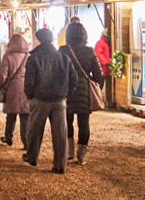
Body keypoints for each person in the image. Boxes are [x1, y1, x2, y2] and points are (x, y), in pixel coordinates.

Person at [22, 28, 76, 174]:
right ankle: (60, 165)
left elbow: (29, 81)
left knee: (34, 130)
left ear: (39, 40)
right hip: (59, 100)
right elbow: (73, 79)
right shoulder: (63, 57)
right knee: (60, 134)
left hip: (40, 99)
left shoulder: (34, 58)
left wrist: (30, 96)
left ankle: (32, 157)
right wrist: (67, 94)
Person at [59, 22, 103, 165]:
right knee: (84, 123)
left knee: (67, 121)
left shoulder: (63, 51)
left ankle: (69, 152)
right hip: (84, 92)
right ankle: (81, 155)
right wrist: (93, 85)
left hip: (66, 89)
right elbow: (98, 74)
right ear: (84, 35)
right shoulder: (89, 51)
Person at [0, 33, 31, 148]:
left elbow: (2, 75)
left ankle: (8, 136)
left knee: (11, 115)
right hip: (26, 88)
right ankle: (26, 141)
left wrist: (1, 86)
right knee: (25, 116)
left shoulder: (8, 56)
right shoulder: (28, 56)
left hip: (12, 89)